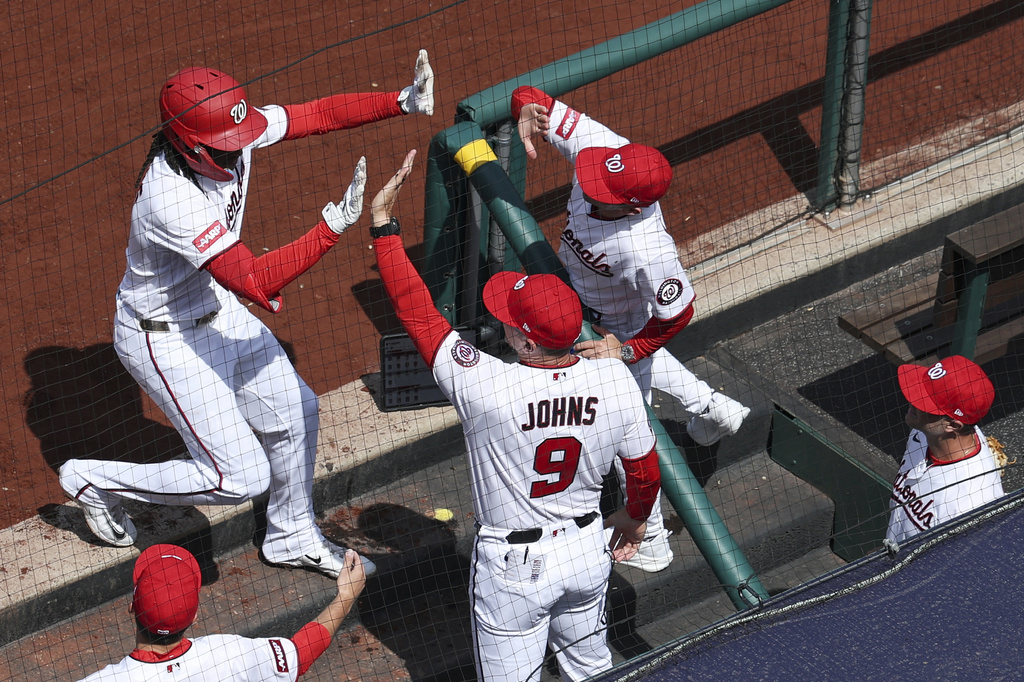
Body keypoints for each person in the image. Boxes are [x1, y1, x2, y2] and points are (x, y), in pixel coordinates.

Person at [58, 51, 435, 578]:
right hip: (162, 338)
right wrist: (331, 224)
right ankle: (92, 480)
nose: (238, 150)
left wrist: (399, 101)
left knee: (298, 412)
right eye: (224, 146)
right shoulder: (170, 199)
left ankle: (292, 535)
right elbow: (256, 280)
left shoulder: (228, 131)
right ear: (189, 143)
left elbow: (316, 116)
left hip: (215, 308)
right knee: (238, 477)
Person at [367, 150, 662, 681]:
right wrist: (635, 517)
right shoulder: (613, 376)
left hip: (513, 571)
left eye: (510, 318)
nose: (503, 321)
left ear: (527, 338)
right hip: (586, 551)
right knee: (591, 669)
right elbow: (644, 471)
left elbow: (418, 313)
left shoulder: (486, 384)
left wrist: (385, 229)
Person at [512, 86, 750, 571]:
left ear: (636, 207)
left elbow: (678, 313)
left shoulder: (648, 249)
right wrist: (524, 114)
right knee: (632, 426)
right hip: (589, 309)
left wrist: (626, 351)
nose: (591, 189)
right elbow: (530, 96)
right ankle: (716, 410)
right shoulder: (605, 150)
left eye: (605, 196)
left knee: (628, 442)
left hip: (618, 328)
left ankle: (653, 542)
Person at [77, 543, 366, 680]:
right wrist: (346, 596)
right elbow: (300, 653)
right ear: (196, 615)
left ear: (131, 608)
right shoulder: (227, 653)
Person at [886, 355, 1005, 544]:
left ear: (953, 426)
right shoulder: (926, 432)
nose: (912, 403)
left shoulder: (968, 505)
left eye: (925, 403)